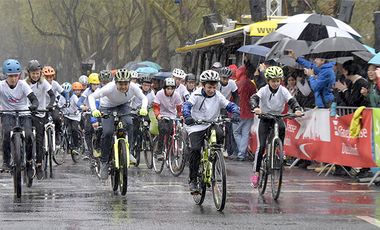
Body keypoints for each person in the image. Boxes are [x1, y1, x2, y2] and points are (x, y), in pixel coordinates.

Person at [183, 69, 240, 193]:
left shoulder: (218, 95)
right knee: (195, 150)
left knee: (220, 133)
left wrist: (235, 112)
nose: (211, 90)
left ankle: (214, 156)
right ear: (203, 85)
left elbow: (230, 105)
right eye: (209, 87)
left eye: (214, 87)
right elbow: (187, 105)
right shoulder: (196, 94)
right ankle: (193, 180)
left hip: (211, 123)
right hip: (195, 125)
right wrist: (187, 116)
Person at [89, 69, 148, 180]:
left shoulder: (134, 87)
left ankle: (129, 152)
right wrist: (94, 110)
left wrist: (144, 108)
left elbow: (144, 98)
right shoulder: (109, 88)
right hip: (107, 107)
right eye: (120, 84)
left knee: (129, 124)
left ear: (129, 83)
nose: (123, 87)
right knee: (107, 132)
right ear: (115, 83)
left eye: (125, 84)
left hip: (124, 106)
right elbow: (91, 97)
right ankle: (104, 162)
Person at [250, 66, 303, 187]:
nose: (275, 83)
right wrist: (255, 107)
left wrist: (297, 109)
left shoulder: (283, 90)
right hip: (265, 118)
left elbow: (292, 100)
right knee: (262, 146)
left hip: (277, 117)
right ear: (268, 81)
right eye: (273, 81)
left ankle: (279, 149)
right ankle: (256, 173)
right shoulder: (263, 90)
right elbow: (254, 98)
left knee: (282, 127)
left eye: (278, 81)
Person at [0, 59, 39, 178]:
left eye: (16, 76)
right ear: (5, 75)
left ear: (19, 75)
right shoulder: (1, 86)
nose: (13, 79)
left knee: (28, 135)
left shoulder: (23, 85)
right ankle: (6, 161)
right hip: (7, 113)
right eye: (10, 76)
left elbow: (34, 99)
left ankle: (29, 162)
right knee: (6, 133)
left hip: (24, 113)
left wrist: (34, 106)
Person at [25, 60, 56, 180]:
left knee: (39, 139)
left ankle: (38, 164)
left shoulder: (44, 83)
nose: (35, 76)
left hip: (40, 113)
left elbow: (52, 95)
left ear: (40, 73)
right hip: (27, 113)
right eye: (33, 73)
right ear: (29, 73)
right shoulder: (24, 83)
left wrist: (50, 105)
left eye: (37, 73)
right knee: (28, 137)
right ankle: (27, 162)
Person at [152, 78, 182, 157]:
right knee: (163, 129)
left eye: (172, 89)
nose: (170, 91)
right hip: (162, 115)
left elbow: (179, 108)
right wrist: (158, 115)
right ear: (164, 88)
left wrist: (181, 115)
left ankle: (173, 149)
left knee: (175, 131)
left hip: (172, 116)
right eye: (168, 88)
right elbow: (155, 106)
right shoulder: (159, 94)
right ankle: (159, 149)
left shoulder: (177, 95)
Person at [42, 66, 70, 146]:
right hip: (42, 107)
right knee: (41, 123)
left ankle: (57, 134)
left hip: (53, 106)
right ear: (43, 77)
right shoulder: (40, 84)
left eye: (51, 76)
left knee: (57, 118)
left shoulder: (55, 84)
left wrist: (67, 100)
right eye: (47, 77)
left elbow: (64, 93)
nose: (49, 79)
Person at [233, 67, 256, 161]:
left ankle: (241, 152)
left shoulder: (236, 84)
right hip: (249, 111)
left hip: (238, 111)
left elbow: (232, 98)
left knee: (236, 132)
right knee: (245, 133)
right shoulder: (251, 84)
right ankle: (242, 153)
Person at [77, 73, 101, 158]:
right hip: (89, 113)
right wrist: (82, 106)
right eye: (94, 84)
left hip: (100, 114)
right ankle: (89, 151)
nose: (96, 86)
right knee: (87, 132)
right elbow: (79, 102)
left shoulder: (101, 90)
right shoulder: (87, 91)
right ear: (90, 84)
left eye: (97, 84)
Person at [217, 67, 239, 157]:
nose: (225, 80)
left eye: (227, 78)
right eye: (223, 78)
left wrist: (236, 110)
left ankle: (227, 148)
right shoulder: (216, 83)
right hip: (216, 105)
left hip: (226, 105)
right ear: (220, 77)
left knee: (228, 128)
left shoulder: (232, 84)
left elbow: (236, 97)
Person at [62, 82, 83, 156]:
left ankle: (76, 146)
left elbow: (78, 103)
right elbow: (58, 104)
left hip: (75, 116)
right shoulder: (61, 97)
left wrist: (81, 108)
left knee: (74, 129)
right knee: (64, 129)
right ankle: (65, 144)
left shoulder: (74, 97)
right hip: (66, 115)